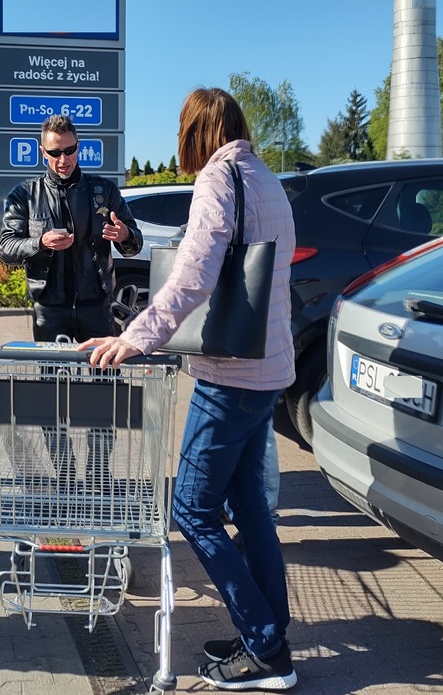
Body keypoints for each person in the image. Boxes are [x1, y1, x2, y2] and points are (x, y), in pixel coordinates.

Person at [82, 87, 299, 692]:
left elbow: (197, 272)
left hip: (230, 376)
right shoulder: (263, 177)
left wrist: (139, 335)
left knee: (192, 508)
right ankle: (269, 634)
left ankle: (265, 649)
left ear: (194, 131)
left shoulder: (217, 179)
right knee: (250, 509)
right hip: (267, 369)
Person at [0, 113, 142, 486]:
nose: (64, 159)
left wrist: (124, 233)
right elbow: (6, 249)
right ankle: (64, 472)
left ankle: (98, 471)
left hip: (97, 305)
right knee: (52, 395)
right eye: (56, 153)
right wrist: (39, 243)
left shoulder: (103, 190)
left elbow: (133, 242)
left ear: (79, 147)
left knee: (103, 390)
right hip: (50, 309)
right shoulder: (24, 195)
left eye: (71, 150)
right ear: (42, 152)